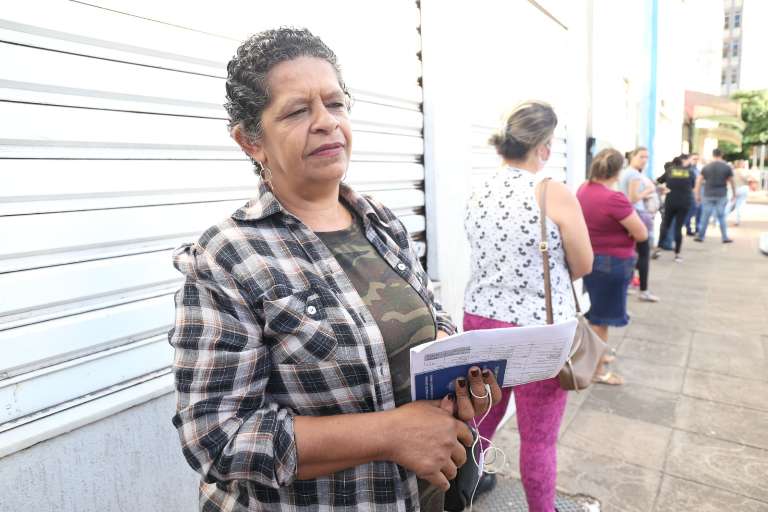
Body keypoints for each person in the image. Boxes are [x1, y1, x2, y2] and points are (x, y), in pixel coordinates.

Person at [168, 28, 502, 512]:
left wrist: (459, 378)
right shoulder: (227, 257)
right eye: (298, 111)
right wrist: (390, 433)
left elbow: (425, 321)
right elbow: (218, 437)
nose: (326, 122)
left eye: (336, 103)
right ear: (250, 142)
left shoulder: (381, 222)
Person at [464, 101, 593, 511]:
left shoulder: (478, 190)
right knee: (538, 438)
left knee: (478, 423)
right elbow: (583, 263)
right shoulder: (552, 192)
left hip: (481, 322)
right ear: (544, 146)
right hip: (540, 331)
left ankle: (462, 495)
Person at [577, 149, 648, 386]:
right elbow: (641, 233)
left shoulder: (583, 190)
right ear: (618, 171)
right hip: (612, 263)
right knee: (601, 320)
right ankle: (598, 371)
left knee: (597, 313)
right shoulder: (613, 199)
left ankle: (600, 354)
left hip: (590, 260)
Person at [618, 147, 660, 302]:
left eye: (647, 157)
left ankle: (629, 283)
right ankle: (644, 290)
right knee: (643, 253)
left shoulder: (625, 173)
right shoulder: (634, 174)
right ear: (632, 157)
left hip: (630, 214)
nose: (644, 160)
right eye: (641, 156)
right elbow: (633, 198)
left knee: (632, 252)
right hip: (637, 214)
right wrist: (648, 191)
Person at [653, 155, 695, 261]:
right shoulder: (690, 172)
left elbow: (657, 182)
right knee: (678, 227)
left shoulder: (670, 171)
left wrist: (662, 189)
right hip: (685, 202)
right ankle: (677, 254)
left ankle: (658, 250)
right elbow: (693, 186)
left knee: (665, 225)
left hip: (671, 201)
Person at [695, 148, 736, 243]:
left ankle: (701, 236)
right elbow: (732, 181)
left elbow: (699, 181)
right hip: (721, 194)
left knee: (705, 216)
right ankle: (725, 237)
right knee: (721, 216)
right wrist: (734, 194)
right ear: (721, 155)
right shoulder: (726, 167)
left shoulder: (706, 167)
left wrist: (697, 194)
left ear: (713, 155)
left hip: (708, 194)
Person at [683, 152, 701, 236]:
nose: (696, 161)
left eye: (697, 159)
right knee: (691, 211)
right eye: (694, 159)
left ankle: (693, 228)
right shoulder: (687, 169)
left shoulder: (697, 169)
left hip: (695, 193)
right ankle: (686, 227)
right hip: (689, 193)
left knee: (696, 211)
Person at [729, 159, 750, 226]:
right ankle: (737, 220)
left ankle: (721, 219)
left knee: (730, 204)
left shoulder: (733, 171)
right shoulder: (744, 171)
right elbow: (748, 179)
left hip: (735, 188)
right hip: (743, 188)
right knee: (740, 206)